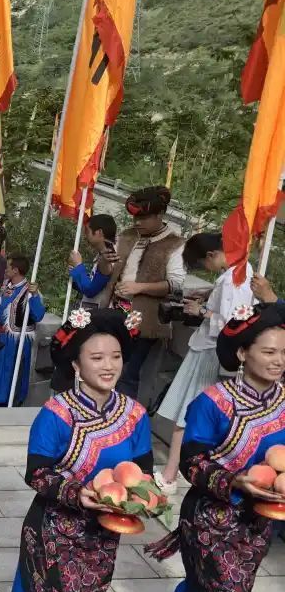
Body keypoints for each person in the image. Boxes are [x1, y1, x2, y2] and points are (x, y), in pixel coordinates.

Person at [8, 307, 151, 592]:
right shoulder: (56, 414)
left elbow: (141, 472)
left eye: (115, 357)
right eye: (96, 357)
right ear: (75, 364)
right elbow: (37, 473)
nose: (108, 366)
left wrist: (144, 496)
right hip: (54, 527)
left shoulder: (134, 415)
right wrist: (77, 492)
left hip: (105, 532)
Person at [145, 305, 285, 592]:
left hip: (261, 520)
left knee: (207, 587)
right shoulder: (212, 402)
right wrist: (233, 481)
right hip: (210, 516)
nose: (279, 360)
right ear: (242, 353)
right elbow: (193, 461)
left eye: (284, 353)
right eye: (269, 351)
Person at [156, 233, 253, 495]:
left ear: (211, 255)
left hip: (209, 353)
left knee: (185, 414)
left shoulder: (233, 281)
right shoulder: (241, 272)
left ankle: (169, 476)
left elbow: (231, 323)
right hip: (212, 352)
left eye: (202, 264)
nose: (206, 270)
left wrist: (200, 312)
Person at [103, 186, 185, 399]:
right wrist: (105, 261)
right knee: (105, 366)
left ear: (159, 215)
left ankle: (124, 423)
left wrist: (139, 288)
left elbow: (176, 285)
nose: (137, 222)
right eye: (135, 218)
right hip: (114, 310)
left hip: (145, 319)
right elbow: (107, 272)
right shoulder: (127, 236)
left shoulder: (175, 244)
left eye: (144, 218)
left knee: (127, 371)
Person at [0, 255, 45, 407]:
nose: (5, 270)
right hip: (0, 337)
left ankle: (11, 402)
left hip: (17, 341)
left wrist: (35, 296)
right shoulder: (5, 286)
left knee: (13, 373)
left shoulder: (29, 291)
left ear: (16, 270)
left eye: (8, 267)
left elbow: (38, 315)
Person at [68, 214, 118, 309]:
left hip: (98, 315)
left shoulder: (110, 256)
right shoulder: (101, 255)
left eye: (87, 231)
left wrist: (78, 266)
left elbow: (91, 290)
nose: (85, 235)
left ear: (99, 232)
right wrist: (76, 273)